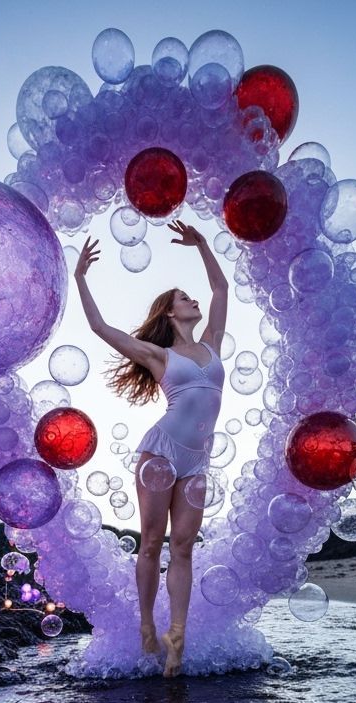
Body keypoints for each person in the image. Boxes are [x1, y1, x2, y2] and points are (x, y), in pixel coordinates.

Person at [74, 220, 228, 677]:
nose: (194, 300)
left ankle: (175, 634)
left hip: (197, 460)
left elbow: (220, 288)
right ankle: (146, 625)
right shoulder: (160, 356)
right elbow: (102, 328)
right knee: (152, 543)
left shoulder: (213, 345)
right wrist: (80, 277)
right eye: (185, 298)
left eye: (191, 297)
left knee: (184, 547)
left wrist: (201, 244)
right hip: (160, 453)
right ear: (169, 313)